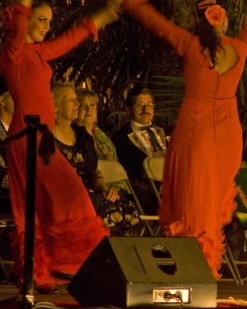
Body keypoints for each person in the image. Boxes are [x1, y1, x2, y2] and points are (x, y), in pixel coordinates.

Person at [99, 0, 247, 278]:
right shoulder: (239, 48)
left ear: (200, 23)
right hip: (228, 136)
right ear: (222, 21)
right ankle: (203, 268)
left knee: (192, 207)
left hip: (197, 132)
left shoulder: (190, 45)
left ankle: (192, 270)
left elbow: (155, 22)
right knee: (209, 208)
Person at [0, 0, 117, 292]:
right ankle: (68, 264)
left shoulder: (38, 53)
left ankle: (43, 272)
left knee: (43, 209)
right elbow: (19, 20)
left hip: (43, 139)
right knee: (72, 195)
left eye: (49, 21)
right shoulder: (15, 52)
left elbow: (68, 40)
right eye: (42, 20)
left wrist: (101, 19)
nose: (47, 27)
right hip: (27, 137)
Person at [53, 84, 142, 236]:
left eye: (77, 100)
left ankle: (123, 256)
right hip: (65, 197)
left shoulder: (83, 136)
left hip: (91, 191)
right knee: (109, 212)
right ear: (55, 106)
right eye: (72, 100)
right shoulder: (46, 136)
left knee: (128, 209)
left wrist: (104, 189)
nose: (77, 105)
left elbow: (93, 172)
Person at [111, 85, 167, 214]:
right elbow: (129, 174)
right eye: (140, 104)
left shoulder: (162, 133)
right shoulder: (121, 138)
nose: (145, 109)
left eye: (149, 104)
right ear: (128, 109)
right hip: (146, 195)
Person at [75, 88, 118, 161]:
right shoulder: (72, 135)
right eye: (83, 105)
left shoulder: (101, 136)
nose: (88, 109)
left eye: (92, 105)